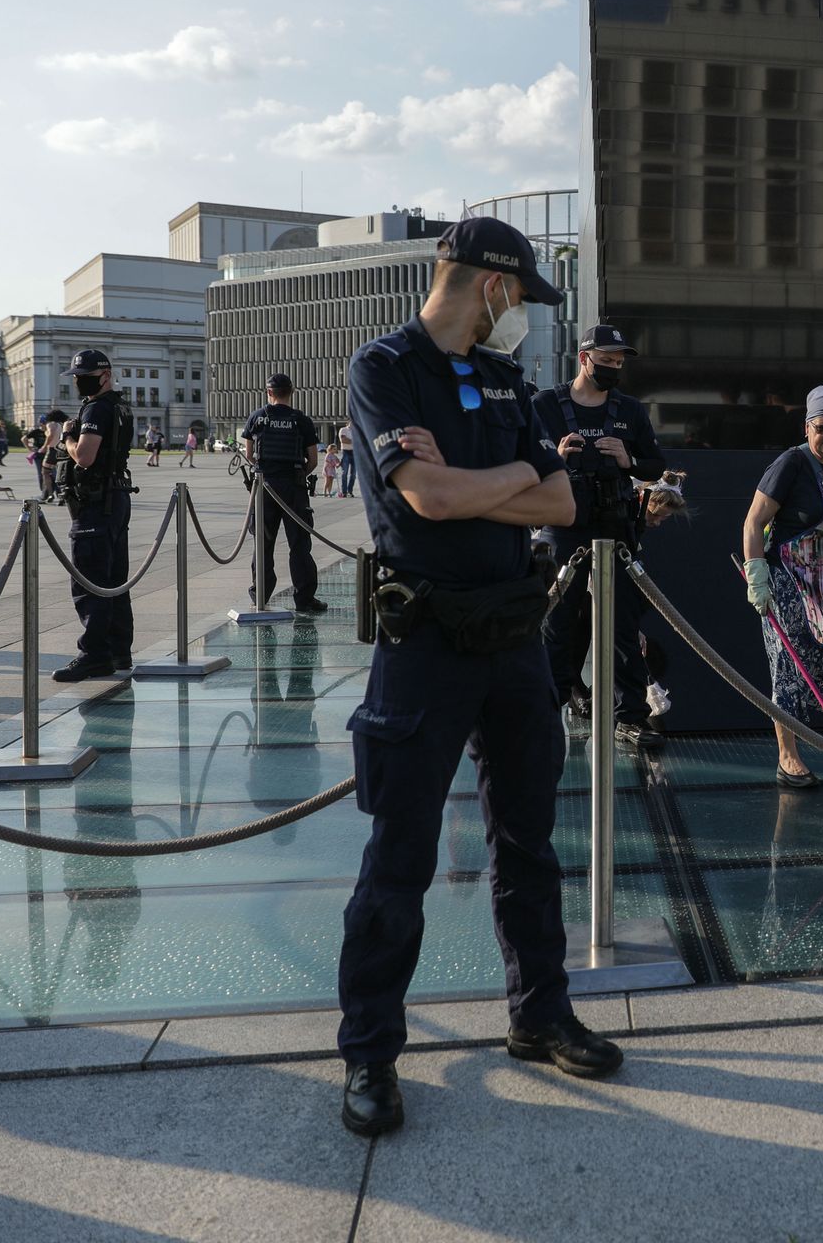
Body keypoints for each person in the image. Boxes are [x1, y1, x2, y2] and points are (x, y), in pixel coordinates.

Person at [335, 215, 618, 1139]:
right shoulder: (384, 368)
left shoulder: (505, 379)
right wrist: (498, 477)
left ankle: (539, 1011)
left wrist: (478, 476)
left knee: (528, 841)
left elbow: (562, 499)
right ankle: (371, 1052)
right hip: (423, 650)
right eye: (520, 298)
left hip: (513, 640)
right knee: (401, 857)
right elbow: (429, 498)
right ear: (490, 285)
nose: (523, 317)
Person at [532, 324, 669, 752]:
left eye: (618, 362)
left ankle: (630, 717)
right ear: (583, 359)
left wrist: (627, 459)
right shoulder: (544, 405)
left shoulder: (629, 409)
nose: (612, 368)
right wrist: (553, 458)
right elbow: (520, 461)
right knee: (558, 623)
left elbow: (654, 464)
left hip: (617, 527)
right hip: (563, 525)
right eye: (605, 360)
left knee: (623, 625)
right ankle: (544, 715)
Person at [741, 386, 823, 787]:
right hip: (790, 584)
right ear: (808, 427)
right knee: (790, 669)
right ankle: (788, 756)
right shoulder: (791, 464)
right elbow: (753, 521)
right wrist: (756, 572)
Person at [51, 349, 135, 683]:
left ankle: (94, 655)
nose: (78, 381)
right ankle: (118, 651)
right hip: (115, 498)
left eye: (83, 376)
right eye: (75, 376)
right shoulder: (120, 405)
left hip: (96, 503)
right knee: (115, 581)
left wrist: (68, 437)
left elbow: (84, 456)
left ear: (104, 375)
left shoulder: (97, 408)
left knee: (91, 583)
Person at [242, 373, 326, 614]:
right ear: (292, 392)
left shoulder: (257, 417)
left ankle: (260, 595)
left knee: (263, 544)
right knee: (299, 545)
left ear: (269, 393)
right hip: (293, 488)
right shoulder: (301, 420)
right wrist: (297, 474)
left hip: (265, 487)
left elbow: (250, 455)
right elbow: (312, 460)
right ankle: (305, 599)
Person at [338, 420, 357, 498]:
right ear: (348, 423)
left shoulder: (357, 431)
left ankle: (350, 491)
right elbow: (343, 440)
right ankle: (344, 491)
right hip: (346, 452)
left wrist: (350, 441)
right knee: (344, 473)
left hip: (355, 452)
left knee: (353, 474)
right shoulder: (343, 430)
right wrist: (355, 441)